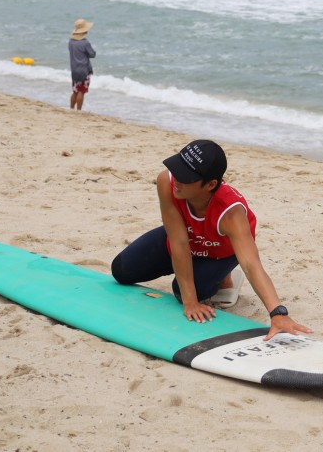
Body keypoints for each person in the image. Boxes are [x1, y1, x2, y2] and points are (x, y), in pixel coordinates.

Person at [111, 140, 311, 341]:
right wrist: (191, 302)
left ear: (210, 185)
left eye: (186, 177)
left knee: (181, 291)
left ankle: (225, 277)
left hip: (220, 252)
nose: (177, 181)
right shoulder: (167, 182)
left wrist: (278, 313)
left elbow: (251, 264)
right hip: (185, 237)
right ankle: (204, 276)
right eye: (177, 169)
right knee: (121, 271)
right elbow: (178, 242)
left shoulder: (231, 214)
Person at [68, 18, 96, 111]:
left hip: (74, 69)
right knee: (81, 91)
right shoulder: (85, 43)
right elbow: (92, 54)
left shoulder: (71, 42)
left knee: (75, 91)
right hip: (84, 70)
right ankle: (79, 110)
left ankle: (71, 108)